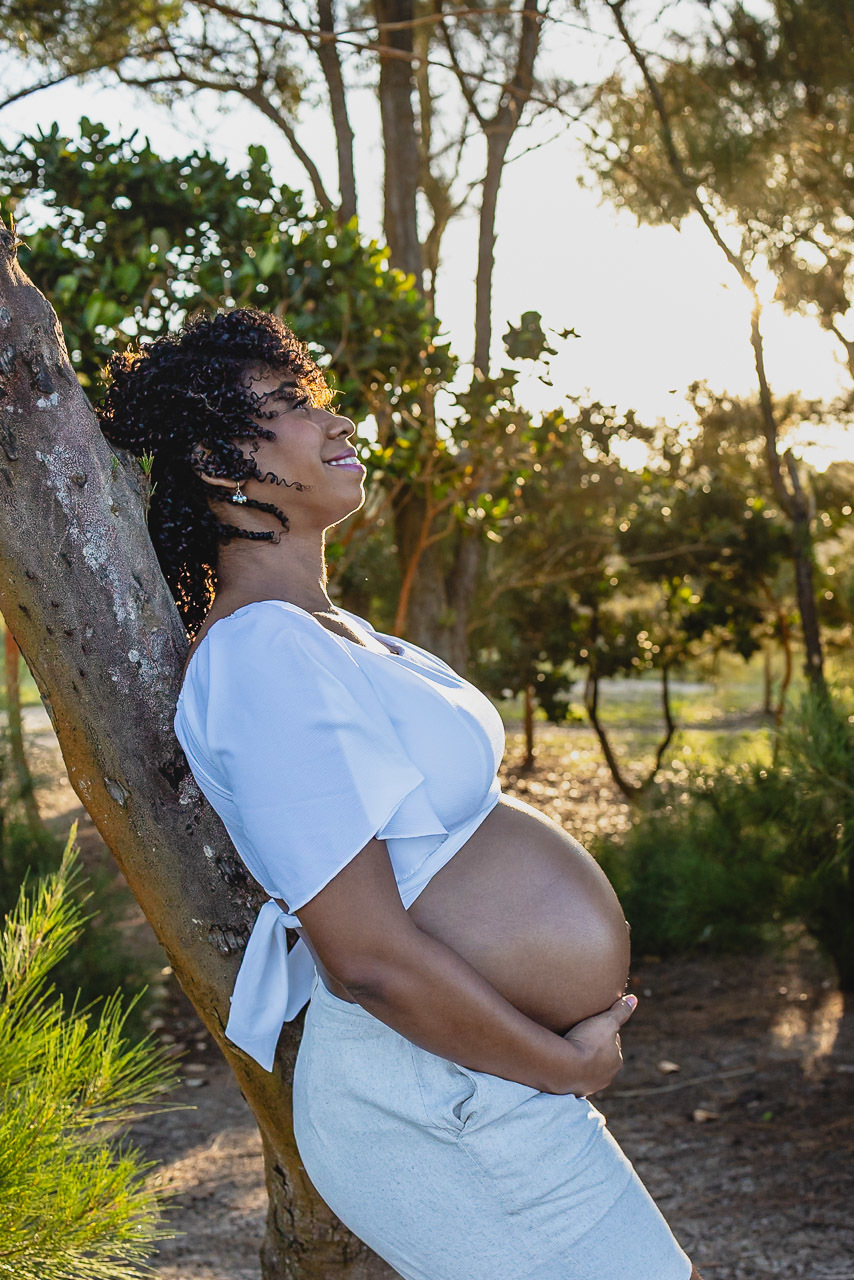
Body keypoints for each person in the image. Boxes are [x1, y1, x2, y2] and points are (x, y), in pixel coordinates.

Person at [98, 306, 702, 1280]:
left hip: (461, 1080)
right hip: (426, 1094)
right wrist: (566, 1065)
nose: (338, 424)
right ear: (219, 461)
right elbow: (365, 955)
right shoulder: (261, 655)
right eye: (293, 406)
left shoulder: (332, 631)